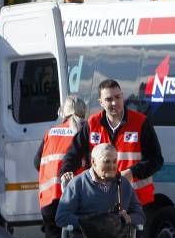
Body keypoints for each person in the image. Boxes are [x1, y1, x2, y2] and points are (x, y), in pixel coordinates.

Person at [59, 79, 163, 209]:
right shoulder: (92, 124)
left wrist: (132, 172)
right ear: (100, 102)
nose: (114, 102)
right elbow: (73, 153)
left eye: (117, 97)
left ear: (122, 96)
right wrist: (66, 171)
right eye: (108, 99)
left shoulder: (140, 122)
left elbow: (156, 160)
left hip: (136, 201)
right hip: (100, 201)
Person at [34, 95, 87, 238]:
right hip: (74, 199)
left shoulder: (50, 133)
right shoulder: (82, 133)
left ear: (62, 112)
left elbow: (36, 162)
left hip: (49, 199)